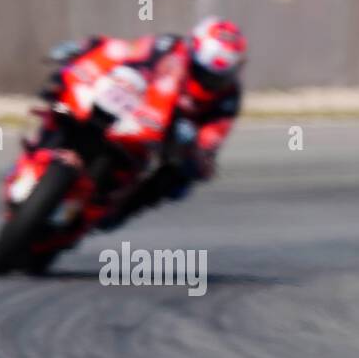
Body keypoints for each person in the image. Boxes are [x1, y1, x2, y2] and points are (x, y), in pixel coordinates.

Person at [44, 17, 247, 224]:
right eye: (202, 72)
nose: (208, 82)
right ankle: (45, 139)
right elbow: (124, 51)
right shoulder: (167, 46)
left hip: (163, 138)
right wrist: (86, 48)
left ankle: (120, 209)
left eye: (217, 77)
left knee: (180, 180)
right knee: (62, 88)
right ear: (192, 51)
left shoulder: (229, 98)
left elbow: (212, 139)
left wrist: (196, 153)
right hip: (132, 103)